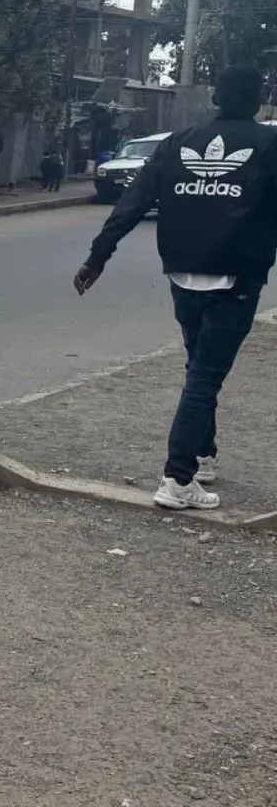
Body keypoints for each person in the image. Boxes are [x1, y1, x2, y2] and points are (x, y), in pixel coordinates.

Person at [75, 65, 277, 510]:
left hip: (182, 273)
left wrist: (97, 258)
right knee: (205, 375)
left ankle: (203, 455)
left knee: (197, 367)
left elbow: (133, 202)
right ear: (259, 100)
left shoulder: (177, 142)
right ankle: (178, 478)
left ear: (215, 99)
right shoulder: (269, 144)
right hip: (235, 278)